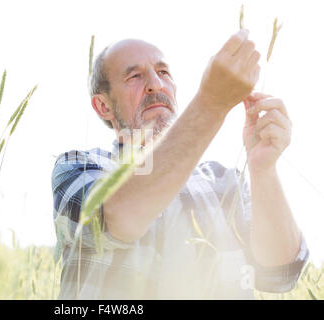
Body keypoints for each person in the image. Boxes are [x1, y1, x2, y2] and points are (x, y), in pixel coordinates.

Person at [51, 29, 308, 299]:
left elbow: (280, 273)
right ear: (103, 106)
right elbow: (116, 219)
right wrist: (211, 104)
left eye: (163, 73)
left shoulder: (224, 181)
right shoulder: (79, 166)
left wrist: (263, 168)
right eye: (134, 76)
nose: (155, 85)